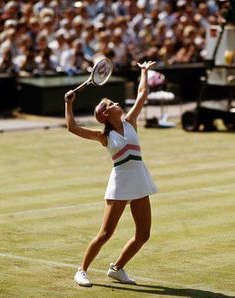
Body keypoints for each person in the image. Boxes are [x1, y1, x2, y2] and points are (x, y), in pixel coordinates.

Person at [64, 60, 157, 287]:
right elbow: (73, 128)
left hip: (139, 181)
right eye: (113, 104)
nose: (118, 104)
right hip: (121, 183)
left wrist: (144, 71)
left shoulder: (130, 122)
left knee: (143, 234)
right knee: (105, 233)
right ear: (106, 114)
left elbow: (143, 93)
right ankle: (81, 270)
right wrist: (69, 104)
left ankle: (117, 268)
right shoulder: (103, 136)